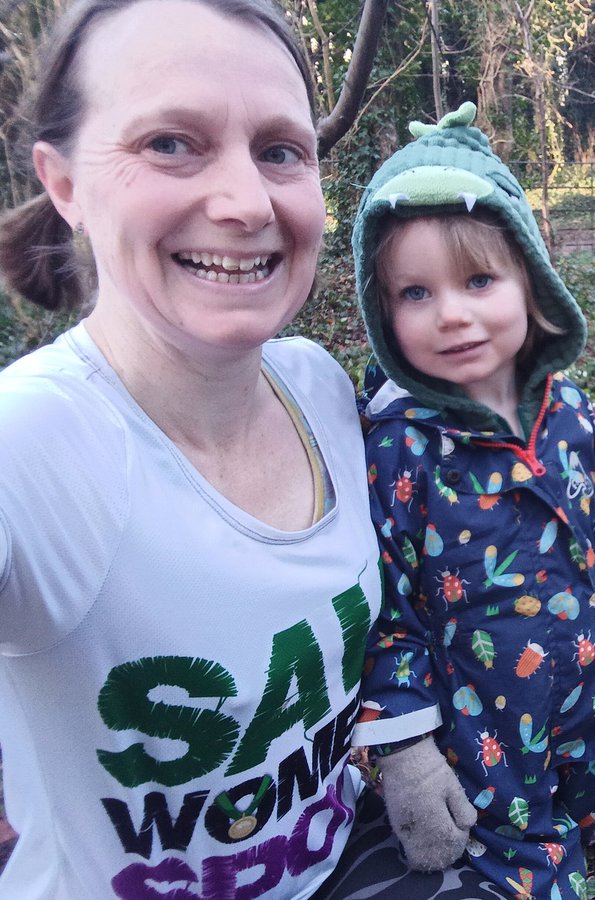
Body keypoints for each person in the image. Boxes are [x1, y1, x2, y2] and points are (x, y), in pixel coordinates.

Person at [0, 3, 503, 898]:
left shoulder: (321, 389)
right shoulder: (35, 445)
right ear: (64, 181)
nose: (244, 202)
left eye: (279, 150)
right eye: (170, 143)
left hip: (348, 857)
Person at [351, 101, 595, 899]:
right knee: (517, 868)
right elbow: (387, 610)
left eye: (479, 280)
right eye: (415, 294)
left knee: (575, 821)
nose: (452, 313)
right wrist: (407, 754)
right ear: (384, 314)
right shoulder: (400, 447)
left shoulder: (572, 413)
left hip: (580, 700)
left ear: (531, 282)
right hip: (476, 739)